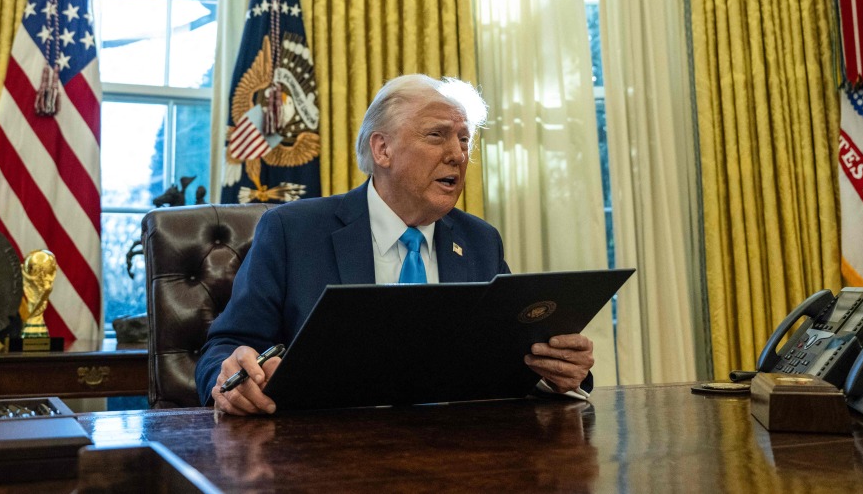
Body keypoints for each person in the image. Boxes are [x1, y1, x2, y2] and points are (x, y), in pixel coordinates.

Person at [196, 74, 595, 415]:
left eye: (463, 139)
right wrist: (228, 378)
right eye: (437, 135)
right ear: (382, 149)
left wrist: (558, 373)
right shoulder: (292, 231)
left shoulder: (479, 241)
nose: (457, 154)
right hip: (322, 454)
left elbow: (514, 356)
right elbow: (225, 347)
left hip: (458, 455)